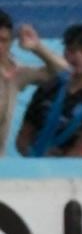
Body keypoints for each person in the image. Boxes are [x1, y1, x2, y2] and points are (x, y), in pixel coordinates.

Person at [16, 25, 82, 157]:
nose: (77, 56)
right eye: (71, 50)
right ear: (64, 54)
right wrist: (33, 155)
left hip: (80, 173)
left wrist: (60, 167)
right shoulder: (47, 89)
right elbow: (23, 137)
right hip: (38, 166)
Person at [0, 11, 67, 156]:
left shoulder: (15, 74)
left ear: (11, 42)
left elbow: (65, 73)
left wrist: (37, 47)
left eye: (3, 40)